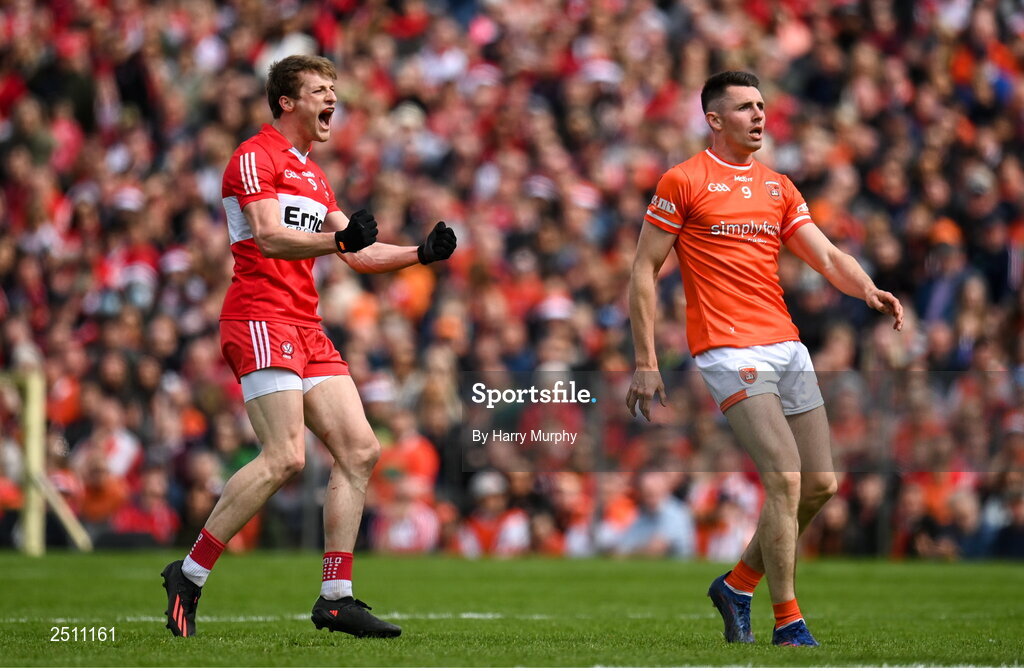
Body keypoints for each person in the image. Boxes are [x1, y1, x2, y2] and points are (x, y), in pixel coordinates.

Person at [160, 54, 456, 639]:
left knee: (361, 450)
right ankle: (189, 575)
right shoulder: (254, 156)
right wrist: (337, 237)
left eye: (334, 90)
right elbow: (269, 237)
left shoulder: (315, 175)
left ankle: (336, 598)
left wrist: (418, 254)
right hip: (259, 318)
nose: (332, 100)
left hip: (305, 325)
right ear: (287, 102)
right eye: (321, 90)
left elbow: (356, 251)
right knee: (285, 458)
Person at [625, 71, 903, 647]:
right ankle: (789, 623)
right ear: (715, 119)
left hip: (785, 341)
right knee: (784, 476)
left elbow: (825, 254)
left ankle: (737, 583)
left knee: (820, 483)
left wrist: (868, 288)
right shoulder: (682, 181)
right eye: (746, 107)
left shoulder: (779, 186)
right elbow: (643, 273)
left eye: (762, 106)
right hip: (727, 346)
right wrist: (646, 359)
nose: (759, 116)